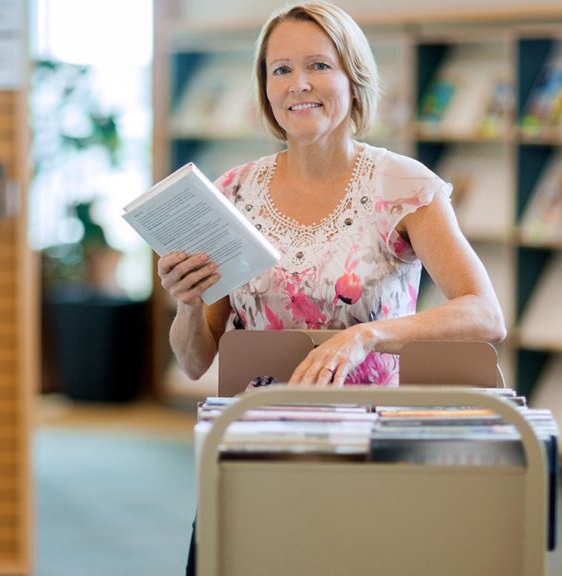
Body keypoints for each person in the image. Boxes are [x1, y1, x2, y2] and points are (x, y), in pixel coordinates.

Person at [163, 2, 507, 573]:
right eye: (280, 70)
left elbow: (485, 314)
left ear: (353, 76)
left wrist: (367, 336)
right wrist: (186, 304)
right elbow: (197, 359)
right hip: (255, 448)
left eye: (319, 65)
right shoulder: (231, 194)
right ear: (265, 88)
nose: (299, 84)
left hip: (370, 447)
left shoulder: (404, 186)